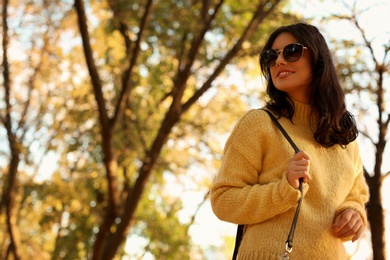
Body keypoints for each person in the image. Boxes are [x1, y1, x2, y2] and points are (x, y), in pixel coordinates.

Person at [210, 23, 369, 259]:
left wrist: (354, 214)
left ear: (317, 58)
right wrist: (285, 190)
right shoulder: (259, 123)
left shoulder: (343, 137)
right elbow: (223, 200)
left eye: (291, 51)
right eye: (270, 56)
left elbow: (356, 197)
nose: (279, 62)